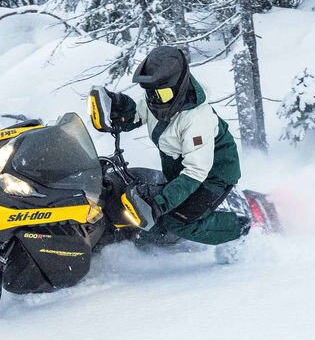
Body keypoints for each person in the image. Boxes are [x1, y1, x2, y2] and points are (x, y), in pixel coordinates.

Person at [89, 45, 249, 247]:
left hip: (211, 176)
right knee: (127, 189)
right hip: (180, 171)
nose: (155, 100)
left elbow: (195, 173)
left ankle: (239, 228)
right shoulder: (158, 98)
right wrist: (118, 108)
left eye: (161, 95)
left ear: (179, 89)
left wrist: (159, 203)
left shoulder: (197, 120)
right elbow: (137, 115)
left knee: (176, 221)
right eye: (151, 93)